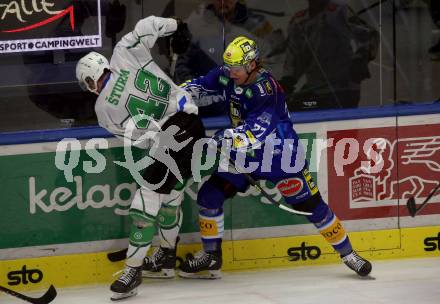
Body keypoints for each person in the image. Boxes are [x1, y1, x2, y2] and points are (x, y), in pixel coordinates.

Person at [174, 36, 372, 278]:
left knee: (312, 207)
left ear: (251, 65)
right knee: (209, 195)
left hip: (280, 157)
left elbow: (255, 132)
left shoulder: (267, 90)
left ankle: (349, 254)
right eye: (229, 67)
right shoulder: (228, 74)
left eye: (236, 68)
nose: (230, 72)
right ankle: (212, 257)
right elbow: (201, 85)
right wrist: (179, 95)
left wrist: (222, 139)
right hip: (244, 156)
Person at [75, 16, 205, 300]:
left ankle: (132, 271)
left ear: (89, 79)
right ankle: (166, 259)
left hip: (171, 135)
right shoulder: (123, 51)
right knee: (170, 198)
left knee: (144, 201)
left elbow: (137, 138)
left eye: (87, 83)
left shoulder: (102, 110)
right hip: (193, 123)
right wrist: (178, 25)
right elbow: (148, 25)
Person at [280, 0, 379, 111]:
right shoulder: (299, 20)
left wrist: (360, 58)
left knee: (337, 120)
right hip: (314, 88)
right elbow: (294, 55)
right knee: (290, 109)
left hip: (343, 88)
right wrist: (287, 80)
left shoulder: (340, 12)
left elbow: (369, 35)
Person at [174, 0, 285, 85]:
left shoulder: (258, 25)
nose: (223, 1)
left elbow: (273, 61)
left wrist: (252, 84)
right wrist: (199, 89)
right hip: (208, 106)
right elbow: (181, 66)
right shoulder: (194, 27)